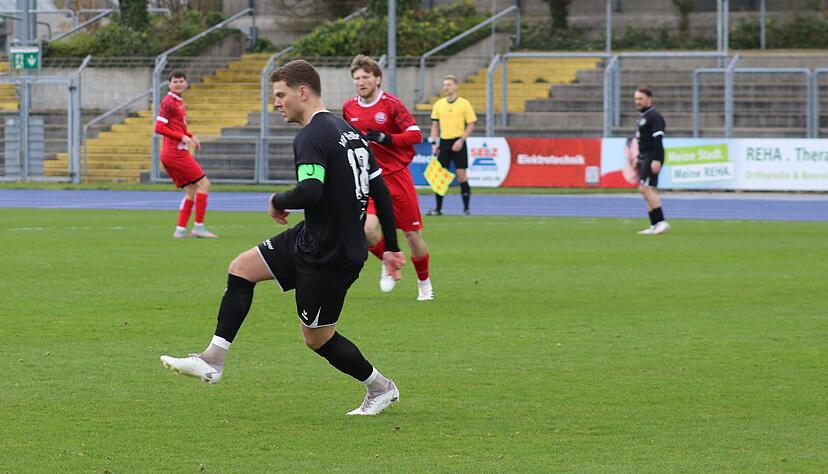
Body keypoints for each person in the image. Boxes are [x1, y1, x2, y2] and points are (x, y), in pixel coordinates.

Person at [160, 60, 406, 416]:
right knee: (242, 268)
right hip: (313, 236)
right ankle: (213, 359)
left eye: (280, 94)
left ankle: (381, 387)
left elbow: (310, 191)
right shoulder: (349, 130)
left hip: (332, 255)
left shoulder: (311, 136)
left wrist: (278, 201)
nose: (276, 102)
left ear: (302, 92)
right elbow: (380, 191)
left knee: (317, 339)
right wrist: (393, 249)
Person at [342, 55, 433, 301]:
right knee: (368, 229)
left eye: (365, 77)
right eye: (356, 78)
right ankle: (387, 259)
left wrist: (388, 138)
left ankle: (424, 282)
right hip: (369, 179)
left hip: (396, 177)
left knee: (412, 236)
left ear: (377, 79)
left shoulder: (392, 105)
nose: (360, 82)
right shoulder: (349, 107)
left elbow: (415, 134)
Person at [154, 69, 217, 239]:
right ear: (169, 84)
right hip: (175, 153)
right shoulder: (168, 101)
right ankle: (199, 227)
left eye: (181, 81)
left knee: (191, 190)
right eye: (175, 81)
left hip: (173, 152)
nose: (178, 84)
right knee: (204, 184)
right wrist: (182, 137)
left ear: (186, 83)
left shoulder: (178, 102)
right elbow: (158, 127)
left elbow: (177, 127)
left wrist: (190, 135)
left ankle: (180, 231)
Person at [427, 74, 476, 216]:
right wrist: (434, 142)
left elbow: (471, 124)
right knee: (440, 177)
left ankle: (466, 208)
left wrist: (461, 140)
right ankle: (438, 208)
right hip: (444, 142)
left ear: (456, 86)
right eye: (444, 85)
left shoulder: (464, 104)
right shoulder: (439, 104)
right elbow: (435, 125)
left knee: (461, 175)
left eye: (449, 85)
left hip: (458, 141)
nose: (446, 88)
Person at [633, 86, 670, 235]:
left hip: (651, 156)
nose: (637, 102)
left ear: (649, 99)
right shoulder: (645, 116)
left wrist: (657, 159)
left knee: (644, 188)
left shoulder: (654, 117)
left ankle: (661, 221)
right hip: (644, 157)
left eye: (640, 98)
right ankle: (654, 224)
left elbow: (658, 140)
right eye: (636, 99)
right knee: (649, 190)